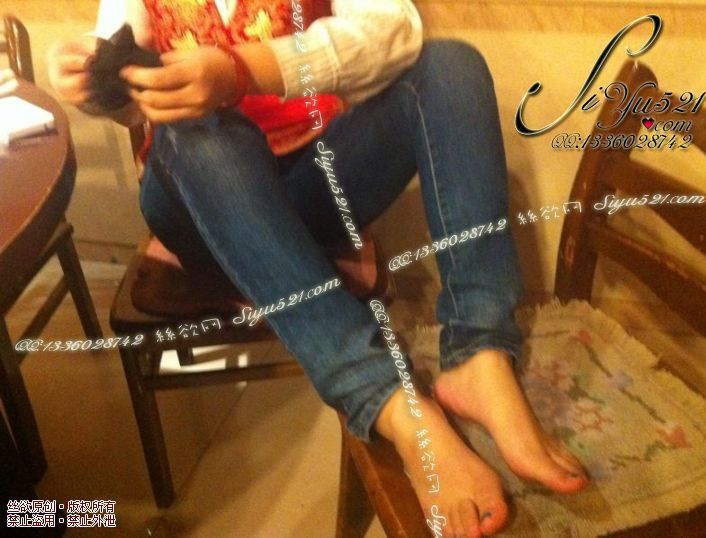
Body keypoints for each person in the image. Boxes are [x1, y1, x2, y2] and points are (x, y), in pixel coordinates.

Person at [48, 1, 589, 536]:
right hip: (196, 196)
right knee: (196, 125)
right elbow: (129, 105)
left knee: (450, 66)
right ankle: (384, 397)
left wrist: (241, 71)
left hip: (310, 182)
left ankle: (479, 352)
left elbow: (395, 31)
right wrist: (92, 81)